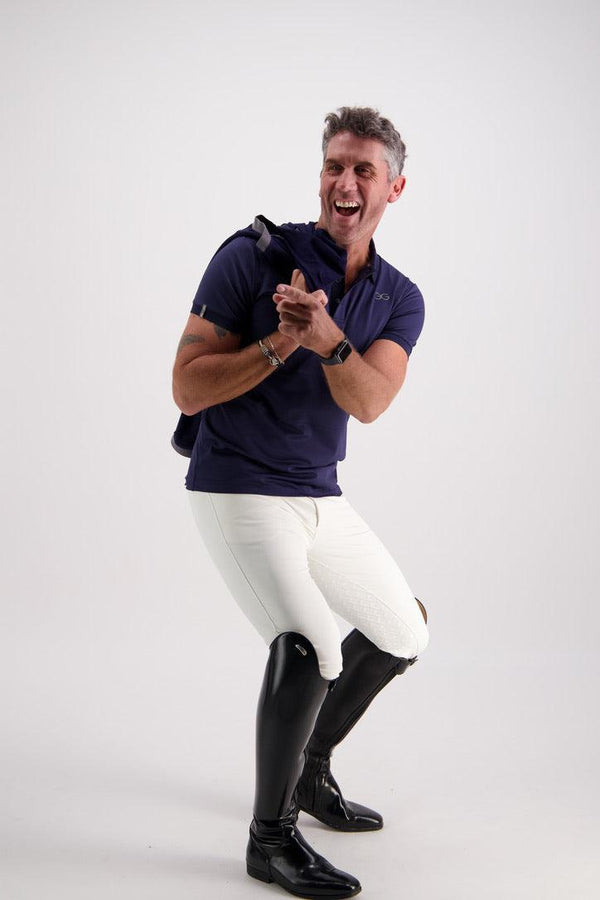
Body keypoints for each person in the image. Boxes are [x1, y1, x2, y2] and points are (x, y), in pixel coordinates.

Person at [171, 106, 430, 900]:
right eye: (334, 166)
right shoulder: (254, 256)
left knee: (403, 628)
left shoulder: (398, 297)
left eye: (363, 170)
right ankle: (269, 837)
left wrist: (326, 341)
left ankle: (311, 771)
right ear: (320, 176)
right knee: (311, 644)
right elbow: (186, 384)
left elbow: (371, 401)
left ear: (394, 186)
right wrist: (280, 341)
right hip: (237, 485)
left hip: (318, 495)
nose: (344, 183)